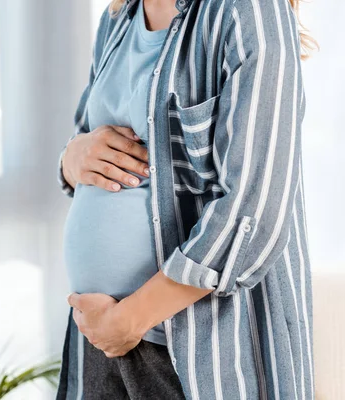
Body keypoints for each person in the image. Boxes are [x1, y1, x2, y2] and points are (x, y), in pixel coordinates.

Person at [55, 0, 318, 398]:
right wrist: (70, 159)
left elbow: (255, 210)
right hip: (99, 335)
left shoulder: (248, 11)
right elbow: (83, 145)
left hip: (196, 348)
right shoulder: (118, 19)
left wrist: (133, 317)